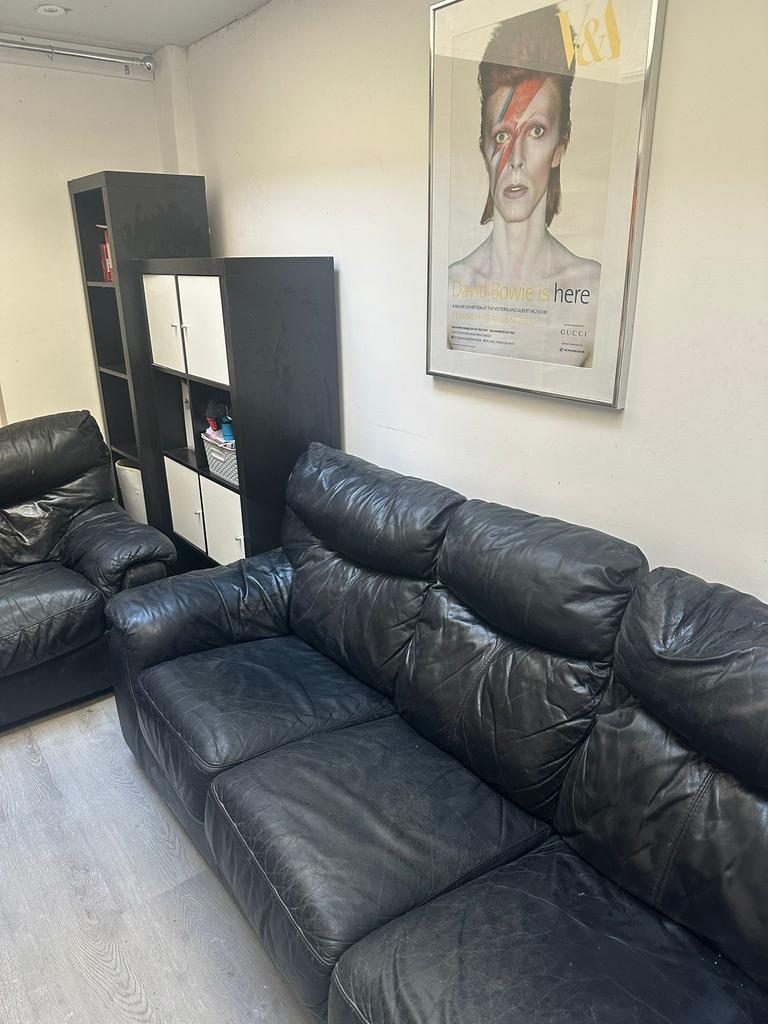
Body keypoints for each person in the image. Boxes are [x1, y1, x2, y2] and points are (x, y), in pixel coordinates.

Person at [448, 4, 600, 367]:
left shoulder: (592, 287)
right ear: (484, 148)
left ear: (559, 146)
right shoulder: (453, 285)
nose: (515, 158)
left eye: (536, 131)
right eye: (502, 135)